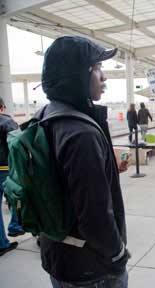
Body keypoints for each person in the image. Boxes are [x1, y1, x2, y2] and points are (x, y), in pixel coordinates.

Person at [39, 36, 129, 287]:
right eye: (98, 68)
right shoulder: (81, 134)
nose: (104, 77)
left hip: (58, 258)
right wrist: (118, 255)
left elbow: (61, 182)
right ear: (77, 75)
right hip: (91, 270)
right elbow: (95, 217)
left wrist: (107, 170)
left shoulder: (46, 117)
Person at [0, 98, 24, 257]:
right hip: (5, 168)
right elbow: (19, 144)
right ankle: (16, 226)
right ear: (1, 107)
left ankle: (1, 244)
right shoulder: (6, 122)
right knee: (17, 197)